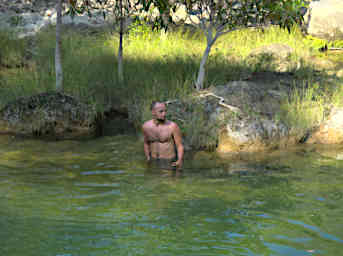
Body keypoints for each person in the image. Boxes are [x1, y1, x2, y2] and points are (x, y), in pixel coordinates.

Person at [142, 101, 184, 171]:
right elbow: (146, 143)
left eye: (165, 111)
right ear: (153, 112)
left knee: (167, 181)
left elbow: (179, 146)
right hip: (153, 160)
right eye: (161, 111)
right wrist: (148, 157)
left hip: (168, 161)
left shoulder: (172, 126)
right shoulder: (146, 126)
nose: (164, 114)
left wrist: (179, 160)